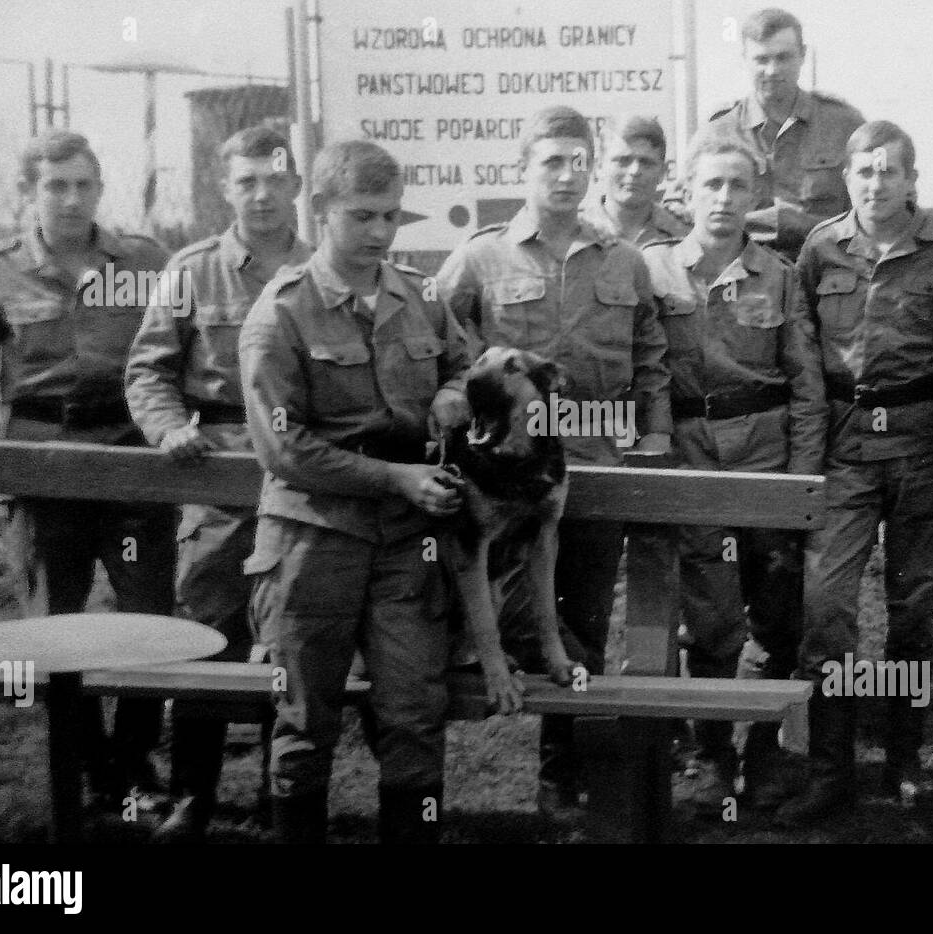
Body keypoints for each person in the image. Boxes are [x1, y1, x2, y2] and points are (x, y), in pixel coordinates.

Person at [437, 105, 672, 821]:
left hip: (589, 467)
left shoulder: (624, 260)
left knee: (585, 628)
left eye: (579, 161)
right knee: (504, 619)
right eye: (551, 162)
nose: (568, 176)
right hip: (497, 479)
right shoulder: (478, 258)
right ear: (523, 170)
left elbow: (652, 364)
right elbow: (442, 351)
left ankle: (561, 780)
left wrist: (654, 444)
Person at [239, 139, 472, 843]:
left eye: (391, 217)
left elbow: (464, 365)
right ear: (320, 210)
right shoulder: (278, 314)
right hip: (315, 540)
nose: (378, 232)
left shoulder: (419, 295)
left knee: (413, 712)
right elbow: (286, 450)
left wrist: (454, 396)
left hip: (407, 543)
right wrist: (395, 476)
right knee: (306, 718)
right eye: (361, 216)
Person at [0, 129, 174, 805]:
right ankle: (90, 768)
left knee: (150, 620)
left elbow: (185, 348)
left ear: (100, 189)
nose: (71, 200)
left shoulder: (145, 261)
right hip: (42, 468)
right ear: (28, 193)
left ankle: (133, 766)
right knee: (54, 630)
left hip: (133, 458)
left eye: (83, 185)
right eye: (55, 186)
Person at [776, 120, 933, 827]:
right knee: (828, 614)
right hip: (846, 447)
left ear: (911, 178)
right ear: (848, 177)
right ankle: (830, 772)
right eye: (864, 170)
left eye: (890, 170)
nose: (875, 182)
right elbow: (803, 347)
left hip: (922, 447)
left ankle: (904, 762)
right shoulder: (821, 246)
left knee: (913, 616)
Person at [125, 126, 311, 841]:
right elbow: (148, 368)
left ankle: (281, 794)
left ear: (294, 184)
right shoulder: (192, 269)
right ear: (225, 188)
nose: (261, 195)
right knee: (207, 630)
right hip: (217, 472)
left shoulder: (321, 267)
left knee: (291, 632)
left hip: (300, 470)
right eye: (245, 182)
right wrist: (168, 425)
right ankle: (193, 795)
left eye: (273, 179)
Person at [642, 134, 824, 813]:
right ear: (686, 191)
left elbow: (806, 383)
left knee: (778, 615)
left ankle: (767, 753)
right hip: (693, 457)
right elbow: (645, 370)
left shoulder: (778, 275)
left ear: (754, 196)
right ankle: (713, 756)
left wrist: (801, 482)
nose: (722, 199)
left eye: (736, 187)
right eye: (711, 185)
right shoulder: (653, 270)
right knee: (711, 619)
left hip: (767, 462)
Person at [691, 7, 863, 260]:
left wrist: (795, 223)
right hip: (743, 275)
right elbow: (678, 206)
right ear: (744, 59)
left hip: (826, 270)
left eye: (783, 58)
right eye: (761, 59)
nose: (772, 71)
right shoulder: (718, 132)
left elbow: (872, 206)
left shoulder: (843, 124)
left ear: (803, 55)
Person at [582, 115, 688, 247]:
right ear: (599, 166)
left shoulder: (685, 235)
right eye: (623, 161)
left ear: (662, 172)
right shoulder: (575, 235)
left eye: (646, 163)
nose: (635, 171)